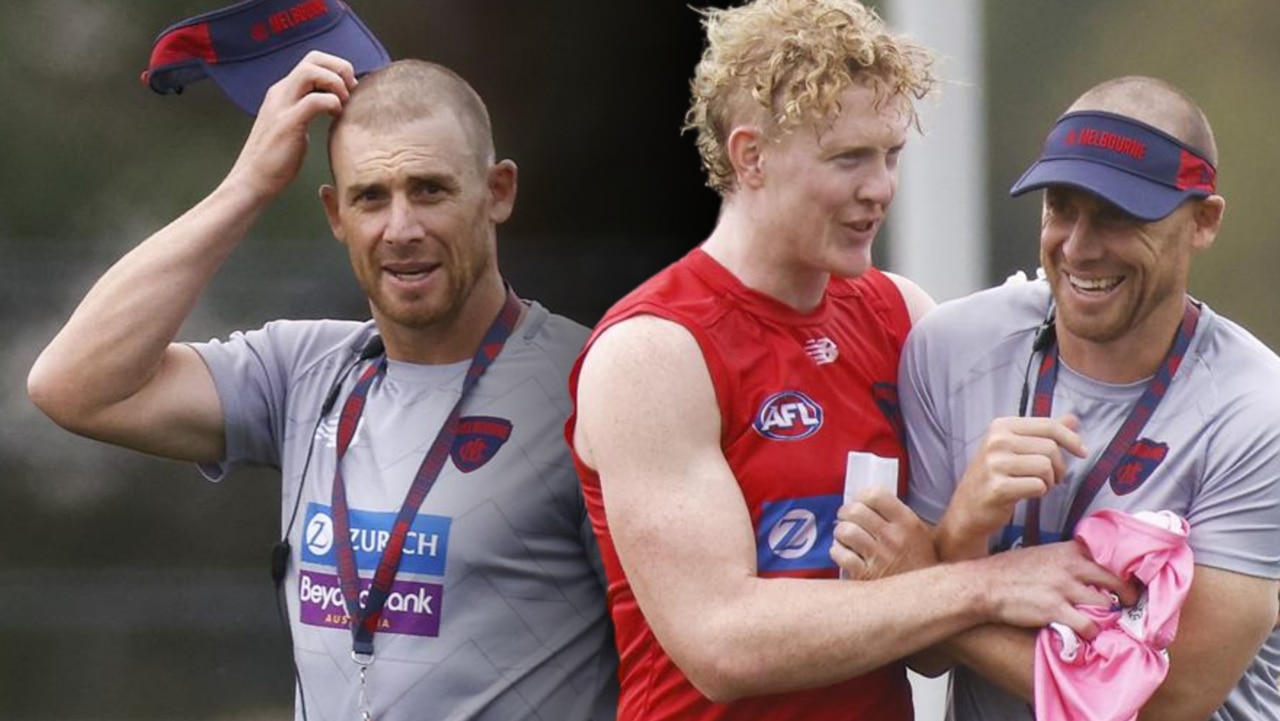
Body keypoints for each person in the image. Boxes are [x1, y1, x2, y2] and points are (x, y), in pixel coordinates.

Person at [566, 1, 1134, 719]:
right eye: (849, 159)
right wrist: (984, 583)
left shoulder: (902, 313)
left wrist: (952, 541)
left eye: (891, 154)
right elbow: (721, 644)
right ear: (751, 156)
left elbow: (929, 634)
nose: (881, 188)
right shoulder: (653, 349)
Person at [27, 52, 618, 721]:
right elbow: (72, 384)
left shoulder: (594, 384)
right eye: (371, 196)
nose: (402, 229)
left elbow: (673, 667)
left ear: (498, 191)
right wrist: (246, 185)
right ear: (336, 214)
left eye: (430, 189)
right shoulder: (304, 371)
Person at [842, 75, 1280, 720]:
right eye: (1062, 207)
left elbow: (1171, 703)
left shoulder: (1256, 410)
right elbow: (922, 655)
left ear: (1203, 222)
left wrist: (928, 591)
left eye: (1119, 215)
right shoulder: (952, 348)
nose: (1078, 246)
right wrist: (965, 527)